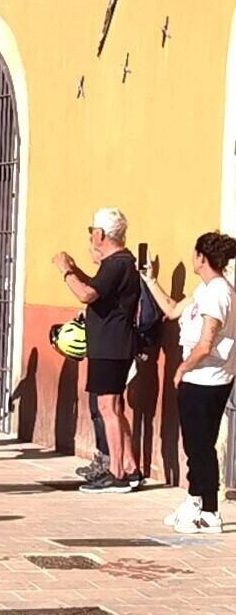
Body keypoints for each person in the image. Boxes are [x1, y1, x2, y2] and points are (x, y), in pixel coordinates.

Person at [139, 234, 236, 533]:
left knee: (200, 447)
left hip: (207, 379)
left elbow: (207, 343)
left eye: (195, 254)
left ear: (202, 258)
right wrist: (151, 280)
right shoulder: (204, 289)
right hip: (199, 377)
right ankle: (195, 501)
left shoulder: (219, 293)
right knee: (195, 445)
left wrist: (183, 368)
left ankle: (209, 512)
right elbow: (171, 310)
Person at [56, 207, 144, 492]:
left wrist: (65, 269)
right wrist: (78, 269)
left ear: (100, 234)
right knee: (114, 407)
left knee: (107, 406)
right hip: (113, 343)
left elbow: (86, 294)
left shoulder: (116, 263)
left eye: (91, 231)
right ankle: (130, 467)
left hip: (110, 345)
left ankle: (116, 472)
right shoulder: (121, 263)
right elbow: (97, 289)